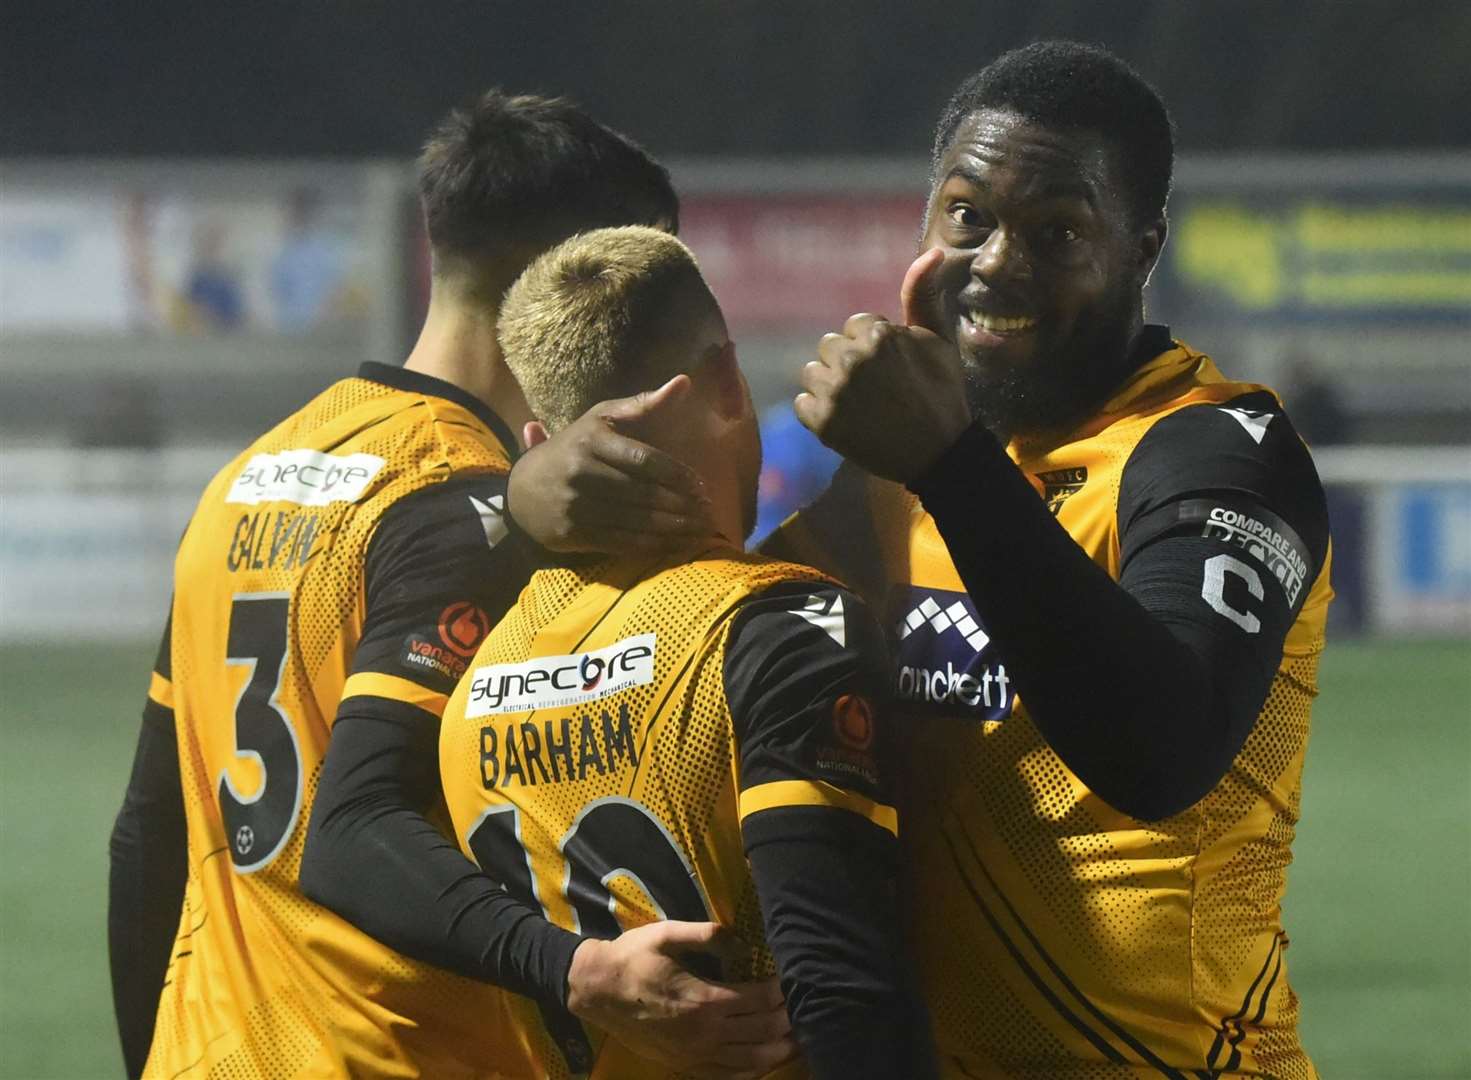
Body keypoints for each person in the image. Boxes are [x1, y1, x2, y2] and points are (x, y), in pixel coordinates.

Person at [505, 43, 1334, 1078]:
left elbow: (1157, 753)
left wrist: (950, 463)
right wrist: (521, 505)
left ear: (1141, 249)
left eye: (1058, 231)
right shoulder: (884, 481)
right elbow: (693, 643)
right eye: (967, 215)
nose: (997, 260)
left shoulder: (1213, 449)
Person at [109, 91, 791, 1080]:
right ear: (563, 278)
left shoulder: (248, 474)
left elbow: (149, 833)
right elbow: (355, 829)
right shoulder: (467, 508)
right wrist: (579, 969)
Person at [438, 226, 926, 1078]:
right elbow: (844, 992)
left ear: (534, 444)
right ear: (730, 382)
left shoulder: (477, 674)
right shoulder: (784, 626)